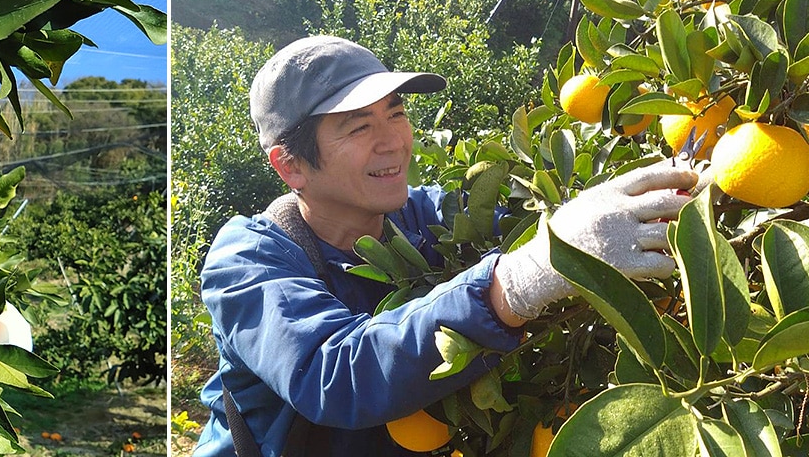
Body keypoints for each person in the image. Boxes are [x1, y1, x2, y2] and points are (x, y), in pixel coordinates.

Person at [192, 35, 699, 456]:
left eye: (395, 114)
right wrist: (520, 279)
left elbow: (526, 222)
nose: (393, 141)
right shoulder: (249, 259)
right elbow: (337, 375)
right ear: (291, 165)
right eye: (360, 126)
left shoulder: (428, 217)